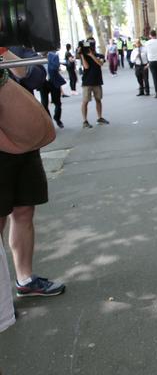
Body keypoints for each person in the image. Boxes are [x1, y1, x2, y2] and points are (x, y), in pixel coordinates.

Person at [0, 47, 65, 301]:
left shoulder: (17, 42)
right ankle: (2, 298)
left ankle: (25, 279)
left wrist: (4, 49)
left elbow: (32, 76)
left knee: (24, 209)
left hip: (24, 135)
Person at [80, 39, 110, 128]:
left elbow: (100, 63)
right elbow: (86, 66)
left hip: (97, 81)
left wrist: (92, 55)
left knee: (98, 99)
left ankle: (99, 118)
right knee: (85, 101)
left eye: (92, 43)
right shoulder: (84, 56)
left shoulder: (99, 55)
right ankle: (85, 121)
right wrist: (81, 54)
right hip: (87, 82)